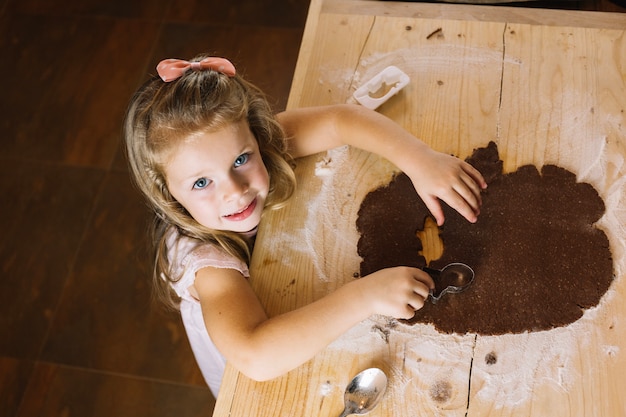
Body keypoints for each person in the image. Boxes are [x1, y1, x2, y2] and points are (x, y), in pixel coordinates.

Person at [124, 55, 486, 396]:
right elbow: (256, 355)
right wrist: (365, 295)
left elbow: (340, 120)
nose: (235, 191)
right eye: (201, 183)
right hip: (259, 375)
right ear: (166, 192)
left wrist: (419, 158)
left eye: (241, 159)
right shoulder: (205, 263)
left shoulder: (259, 143)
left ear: (255, 134)